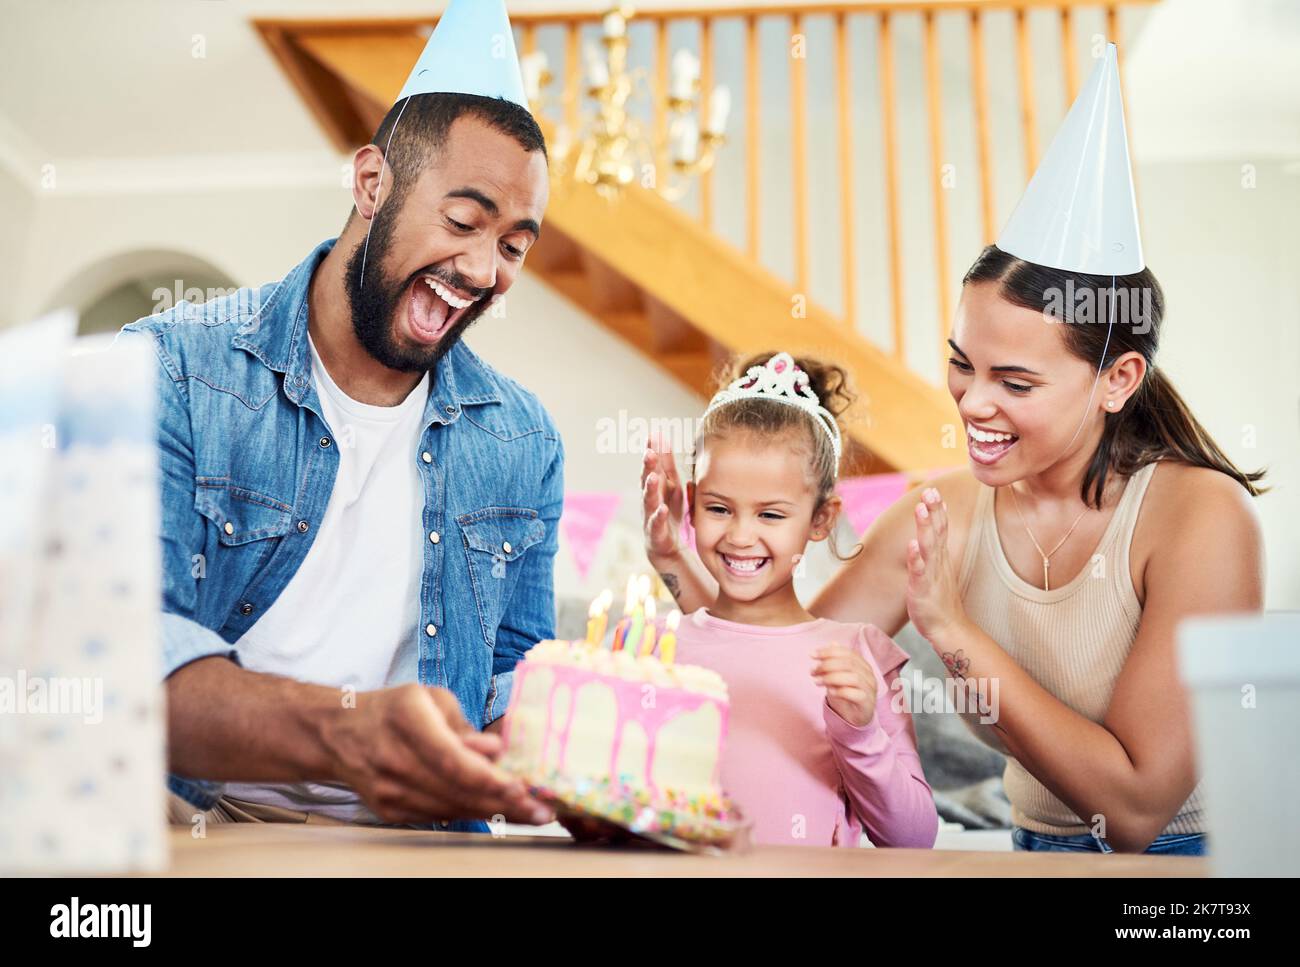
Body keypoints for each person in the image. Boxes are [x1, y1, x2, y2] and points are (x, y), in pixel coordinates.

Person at [641, 46, 1265, 854]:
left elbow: (1139, 807)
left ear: (1118, 379)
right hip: (1031, 853)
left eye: (1015, 381)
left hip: (1191, 871)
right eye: (962, 364)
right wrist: (674, 561)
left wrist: (951, 626)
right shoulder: (946, 511)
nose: (972, 402)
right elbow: (781, 658)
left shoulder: (1201, 516)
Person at [119, 0, 558, 829]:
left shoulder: (524, 439)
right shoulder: (173, 368)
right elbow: (124, 648)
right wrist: (349, 732)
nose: (482, 267)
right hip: (206, 831)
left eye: (513, 246)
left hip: (422, 845)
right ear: (371, 182)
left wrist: (579, 770)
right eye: (463, 221)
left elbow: (512, 677)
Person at [665, 350, 938, 848]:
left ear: (820, 519)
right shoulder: (653, 647)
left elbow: (913, 839)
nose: (741, 536)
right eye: (719, 508)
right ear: (691, 502)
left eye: (771, 515)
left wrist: (860, 731)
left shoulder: (861, 652)